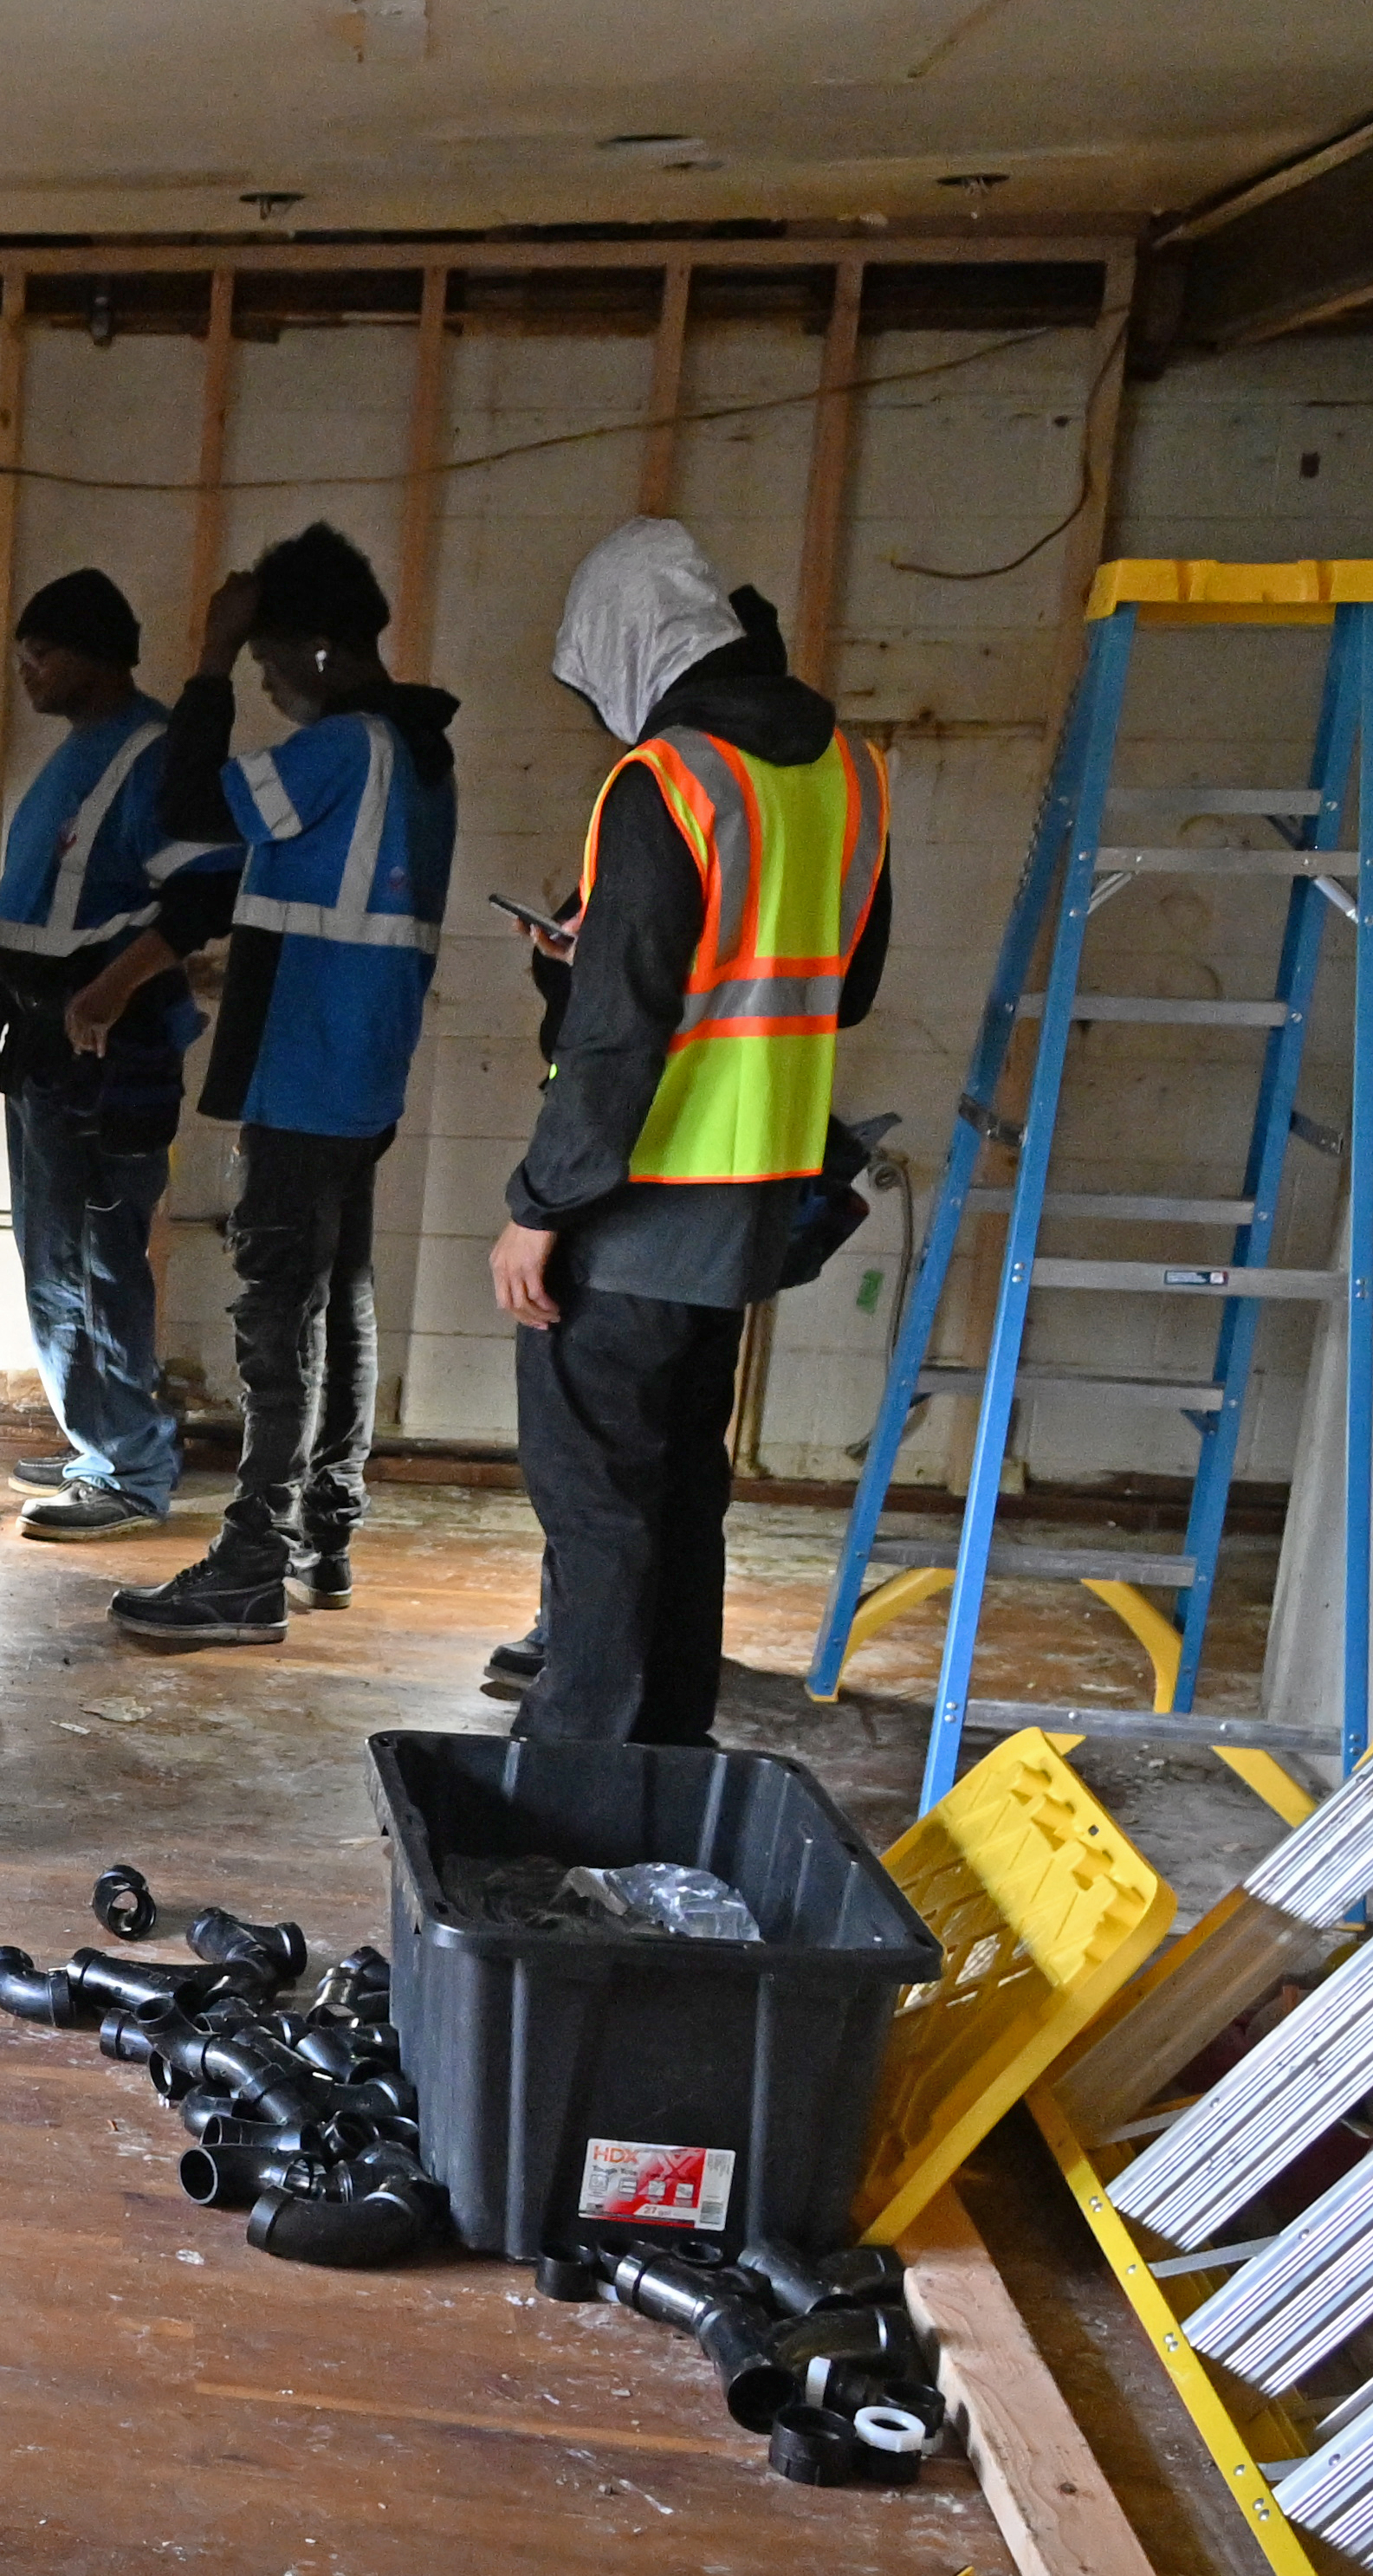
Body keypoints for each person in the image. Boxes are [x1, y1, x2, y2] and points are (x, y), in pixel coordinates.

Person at [495, 518, 893, 1744]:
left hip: (636, 1202)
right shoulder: (849, 772)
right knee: (680, 1494)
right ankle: (668, 1755)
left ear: (628, 643)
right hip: (752, 1206)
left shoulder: (665, 781)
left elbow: (618, 1037)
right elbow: (844, 981)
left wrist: (536, 1207)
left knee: (597, 1504)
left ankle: (577, 1786)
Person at [110, 523, 461, 1649]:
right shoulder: (416, 750)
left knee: (276, 1312)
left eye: (268, 663)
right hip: (354, 1066)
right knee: (337, 1297)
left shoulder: (347, 746)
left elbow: (185, 806)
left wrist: (205, 661)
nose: (259, 681)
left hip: (307, 1066)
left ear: (315, 651)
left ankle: (252, 1566)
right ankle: (321, 1534)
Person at [0, 566, 237, 1544]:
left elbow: (202, 898)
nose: (27, 673)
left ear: (92, 655)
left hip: (109, 1050)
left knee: (99, 1258)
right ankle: (98, 1434)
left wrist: (111, 989)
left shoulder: (154, 753)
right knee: (49, 1256)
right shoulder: (78, 753)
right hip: (43, 1040)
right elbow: (35, 912)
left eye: (40, 656)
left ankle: (129, 1469)